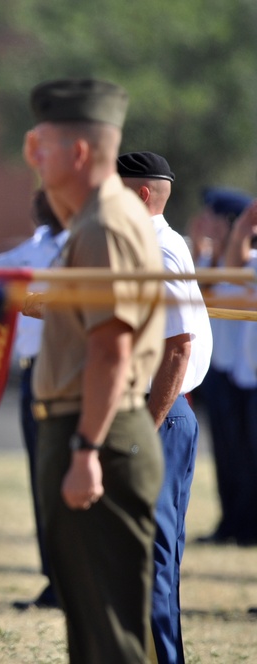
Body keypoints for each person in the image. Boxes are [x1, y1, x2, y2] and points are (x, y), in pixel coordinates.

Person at [22, 78, 165, 663]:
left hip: (97, 432)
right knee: (91, 626)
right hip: (87, 426)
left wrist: (85, 450)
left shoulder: (105, 224)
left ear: (79, 153)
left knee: (112, 637)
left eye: (45, 146)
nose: (34, 155)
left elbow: (111, 349)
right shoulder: (92, 218)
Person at [117, 151, 213, 664]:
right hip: (146, 412)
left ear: (139, 196)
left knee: (148, 558)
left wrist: (145, 433)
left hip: (156, 415)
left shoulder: (160, 251)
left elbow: (179, 347)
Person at [0, 189, 69, 611]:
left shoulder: (86, 245)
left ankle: (75, 579)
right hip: (35, 370)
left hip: (68, 371)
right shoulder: (35, 247)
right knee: (42, 476)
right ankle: (55, 577)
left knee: (65, 476)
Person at [191, 188, 257, 546]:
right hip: (227, 368)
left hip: (238, 370)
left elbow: (232, 266)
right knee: (228, 455)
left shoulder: (248, 260)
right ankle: (231, 521)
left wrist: (243, 227)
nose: (205, 224)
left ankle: (245, 526)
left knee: (245, 458)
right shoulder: (209, 261)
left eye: (214, 218)